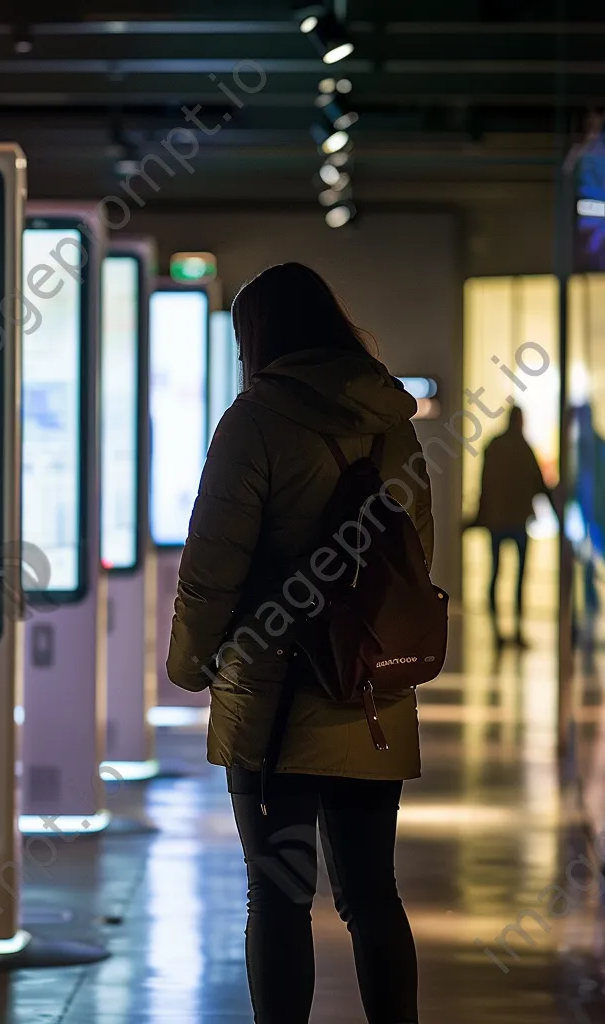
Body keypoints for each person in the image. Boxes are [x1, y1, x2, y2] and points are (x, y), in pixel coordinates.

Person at [166, 262, 433, 1024]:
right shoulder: (394, 427)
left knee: (279, 899)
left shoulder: (253, 422)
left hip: (276, 697)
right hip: (368, 688)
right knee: (372, 894)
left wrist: (190, 665)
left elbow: (212, 566)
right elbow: (416, 557)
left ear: (259, 339)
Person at [472, 405, 551, 647]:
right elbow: (540, 484)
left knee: (495, 574)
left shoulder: (493, 446)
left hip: (497, 521)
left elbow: (484, 486)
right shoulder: (525, 449)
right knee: (518, 578)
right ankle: (516, 631)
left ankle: (497, 633)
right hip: (518, 522)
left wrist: (480, 516)